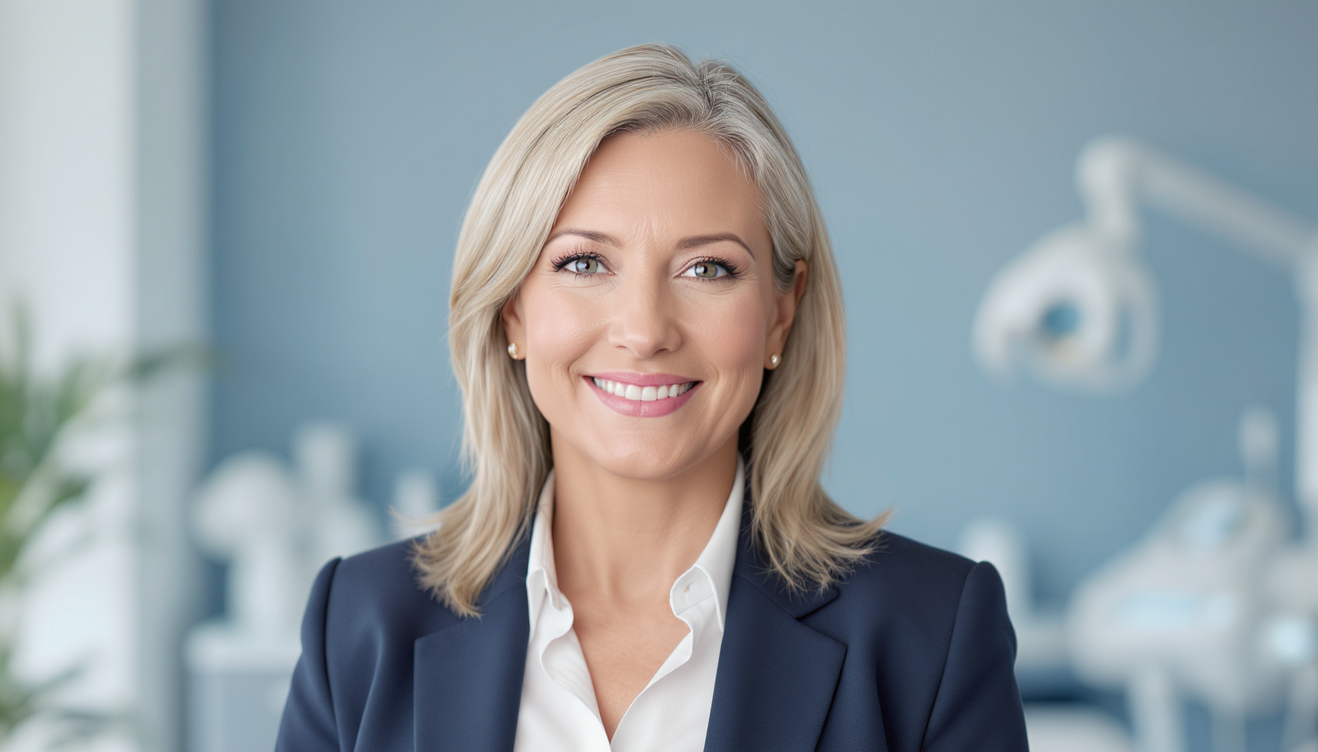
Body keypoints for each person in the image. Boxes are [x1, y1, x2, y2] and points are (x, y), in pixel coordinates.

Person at [275, 43, 1028, 751]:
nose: (643, 330)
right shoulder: (359, 624)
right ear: (513, 309)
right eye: (584, 262)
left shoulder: (933, 632)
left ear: (780, 312)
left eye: (707, 270)